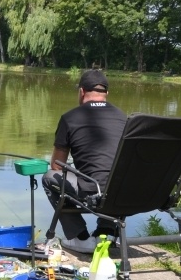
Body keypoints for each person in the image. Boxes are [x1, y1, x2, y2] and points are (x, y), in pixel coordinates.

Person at [42, 69, 127, 252]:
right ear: (106, 94)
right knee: (116, 178)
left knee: (50, 177)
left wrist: (71, 168)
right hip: (124, 192)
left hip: (93, 191)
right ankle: (105, 232)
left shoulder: (70, 118)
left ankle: (79, 237)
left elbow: (57, 165)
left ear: (81, 92)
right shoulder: (124, 118)